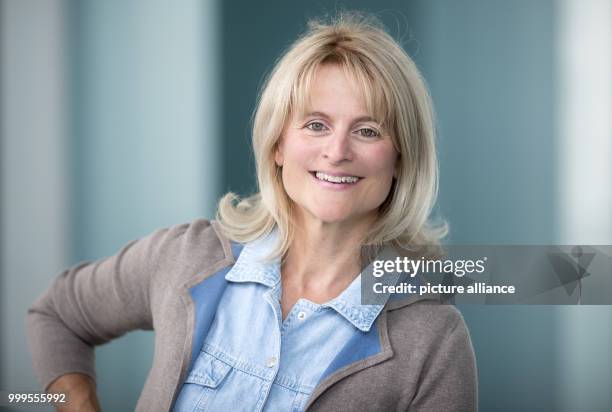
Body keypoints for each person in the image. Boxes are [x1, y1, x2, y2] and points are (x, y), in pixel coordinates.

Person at [27, 12, 477, 412]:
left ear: (401, 158)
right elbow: (59, 313)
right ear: (279, 143)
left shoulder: (433, 340)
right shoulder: (187, 256)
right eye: (315, 125)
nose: (337, 151)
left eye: (367, 130)